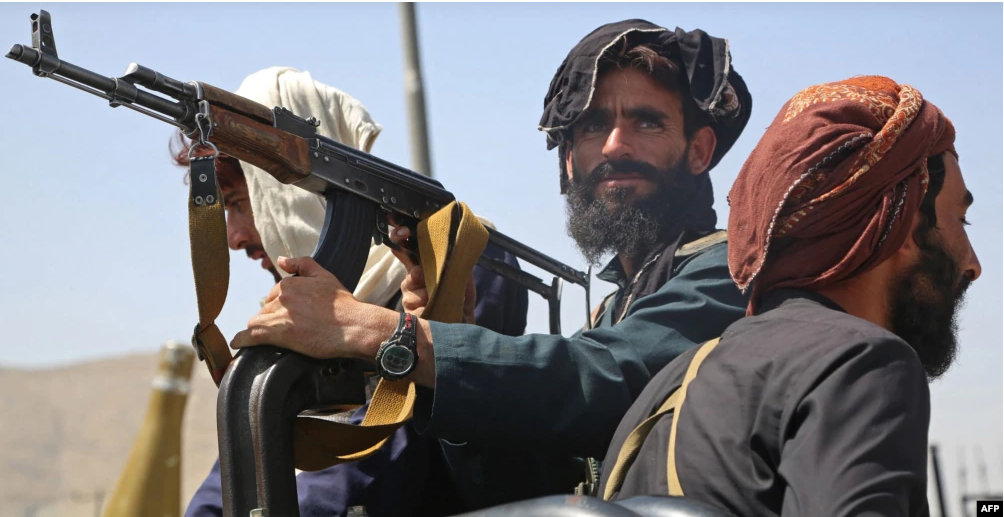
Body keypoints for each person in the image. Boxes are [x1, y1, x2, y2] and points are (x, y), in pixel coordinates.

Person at [229, 20, 753, 507]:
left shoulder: (731, 272)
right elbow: (532, 482)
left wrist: (382, 333)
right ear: (569, 161)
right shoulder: (619, 306)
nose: (616, 145)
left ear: (699, 150)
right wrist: (449, 331)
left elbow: (606, 376)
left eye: (647, 122)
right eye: (593, 126)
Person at [598, 75, 980, 516]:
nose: (973, 265)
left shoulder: (668, 385)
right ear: (904, 222)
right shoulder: (861, 363)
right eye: (960, 221)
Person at [174, 67, 529, 517]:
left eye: (243, 203)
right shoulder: (300, 317)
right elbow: (248, 451)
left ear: (291, 194)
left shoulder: (463, 265)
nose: (235, 237)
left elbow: (376, 455)